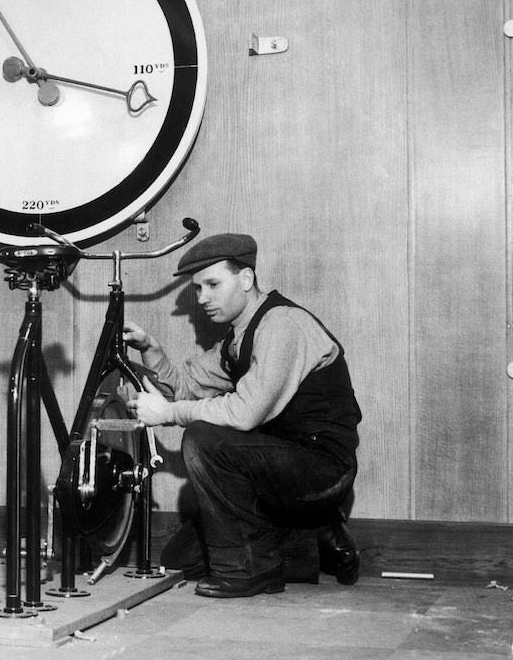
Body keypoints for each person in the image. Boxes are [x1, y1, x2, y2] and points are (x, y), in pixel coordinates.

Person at [123, 232, 361, 598]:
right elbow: (187, 385)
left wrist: (169, 413)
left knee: (203, 438)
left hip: (323, 470)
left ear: (246, 279)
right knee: (180, 560)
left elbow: (245, 413)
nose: (202, 298)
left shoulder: (282, 325)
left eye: (212, 285)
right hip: (276, 471)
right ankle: (313, 538)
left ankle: (254, 570)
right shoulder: (238, 339)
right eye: (197, 288)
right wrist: (150, 349)